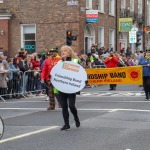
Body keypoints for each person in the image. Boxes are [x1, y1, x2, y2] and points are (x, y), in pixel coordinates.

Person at [58, 45, 80, 131]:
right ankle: (66, 124)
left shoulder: (75, 61)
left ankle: (76, 117)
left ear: (69, 53)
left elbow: (80, 73)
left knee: (71, 106)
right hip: (62, 87)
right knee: (64, 106)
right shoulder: (59, 63)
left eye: (65, 51)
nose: (63, 52)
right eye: (62, 51)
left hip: (71, 87)